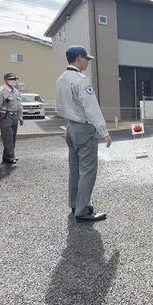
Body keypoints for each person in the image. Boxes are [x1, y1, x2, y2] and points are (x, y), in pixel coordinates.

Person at [56, 45, 112, 223]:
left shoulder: (61, 79)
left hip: (70, 127)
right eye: (86, 58)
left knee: (75, 170)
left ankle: (75, 204)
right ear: (79, 58)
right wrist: (104, 132)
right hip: (84, 128)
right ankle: (83, 209)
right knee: (88, 170)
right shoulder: (81, 80)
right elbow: (91, 109)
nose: (88, 62)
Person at [0, 72, 23, 164]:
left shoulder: (16, 91)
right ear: (5, 80)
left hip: (15, 116)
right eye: (11, 79)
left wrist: (20, 117)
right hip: (6, 116)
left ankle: (7, 156)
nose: (13, 81)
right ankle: (10, 157)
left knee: (12, 138)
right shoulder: (0, 91)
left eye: (14, 79)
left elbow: (19, 106)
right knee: (8, 137)